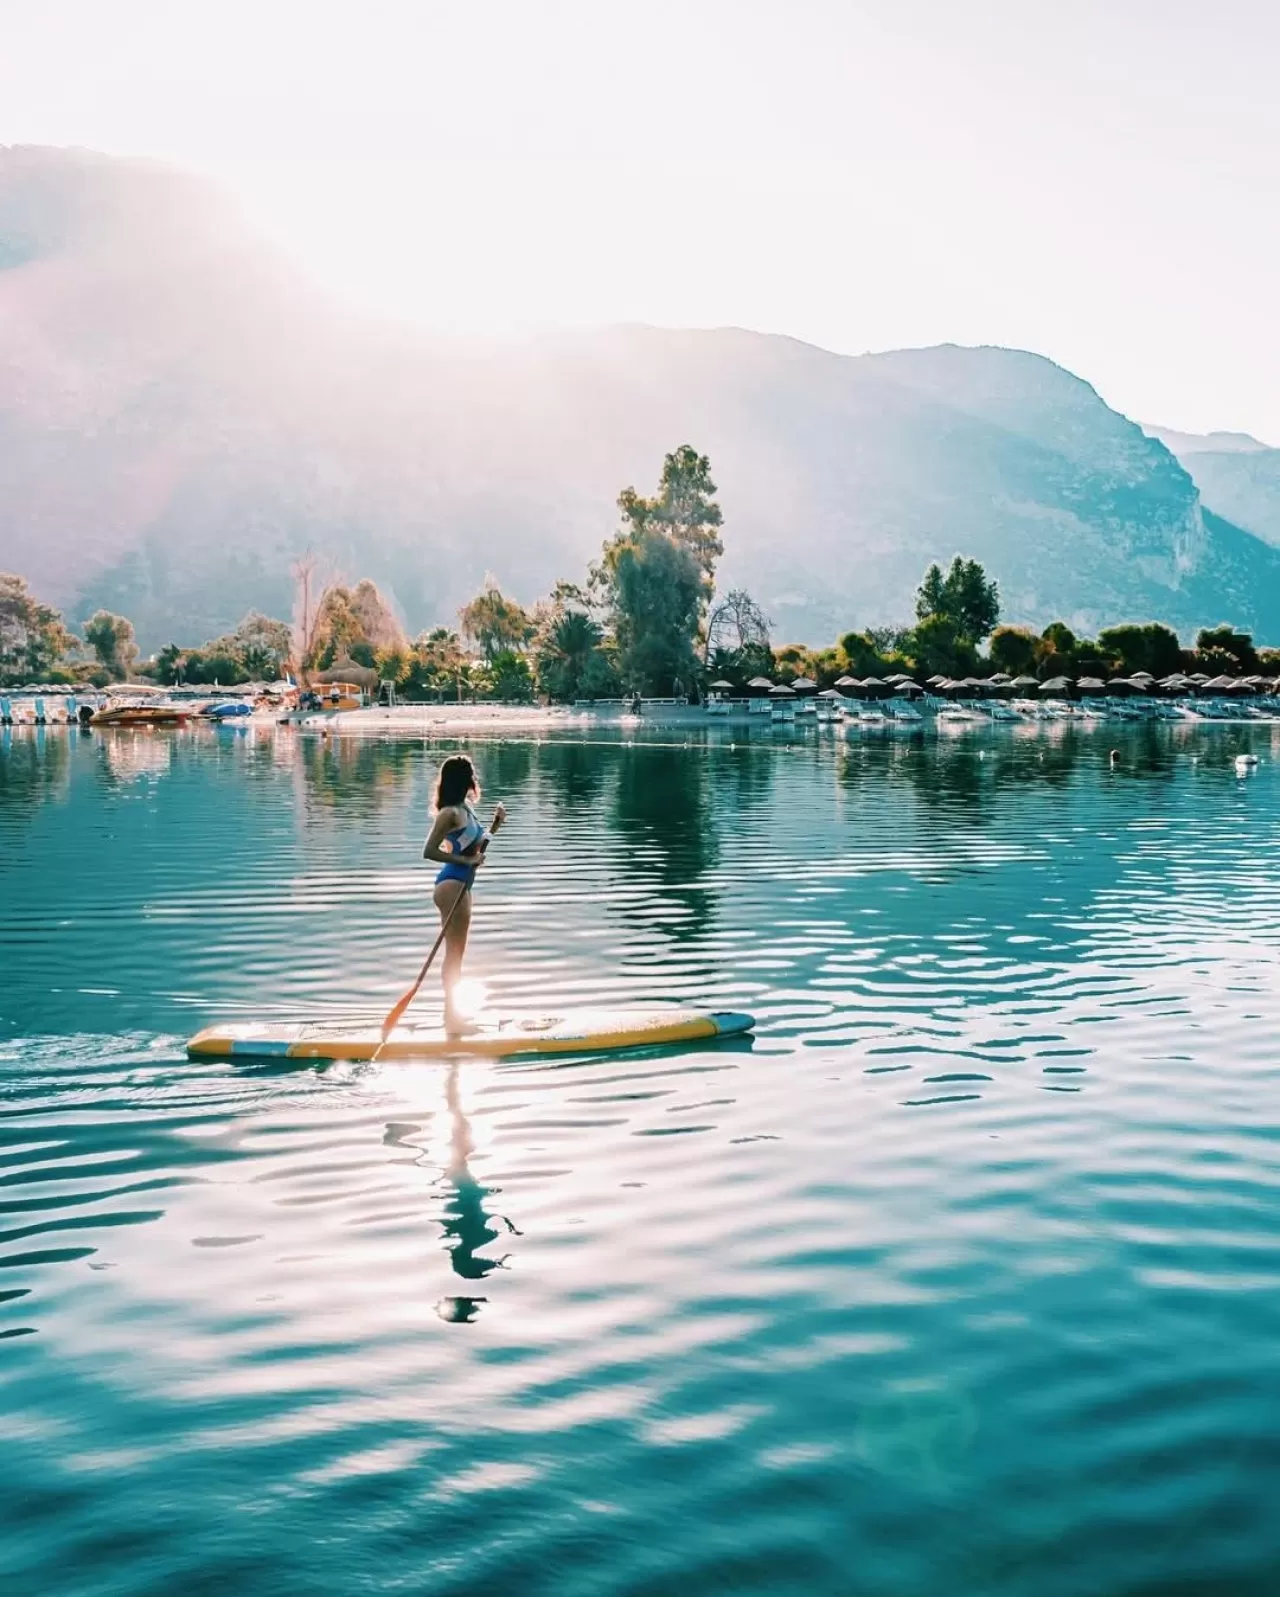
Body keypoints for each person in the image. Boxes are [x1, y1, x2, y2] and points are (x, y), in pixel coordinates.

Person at [422, 755, 506, 1034]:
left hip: (463, 884)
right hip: (451, 884)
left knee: (458, 954)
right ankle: (451, 1020)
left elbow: (476, 846)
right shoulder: (450, 813)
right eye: (471, 773)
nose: (475, 778)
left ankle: (453, 1017)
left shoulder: (465, 808)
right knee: (454, 955)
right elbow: (430, 851)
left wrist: (495, 825)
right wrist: (466, 862)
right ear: (463, 778)